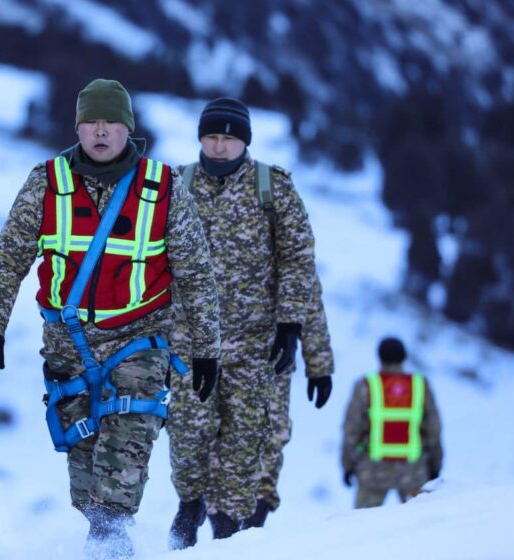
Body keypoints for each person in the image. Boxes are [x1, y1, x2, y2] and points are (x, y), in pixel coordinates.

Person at [0, 79, 221, 559]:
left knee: (124, 451)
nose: (101, 132)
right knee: (85, 474)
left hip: (140, 341)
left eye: (111, 122)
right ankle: (105, 537)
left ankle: (109, 544)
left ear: (128, 128)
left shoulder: (163, 186)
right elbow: (7, 260)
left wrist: (207, 348)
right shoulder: (46, 183)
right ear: (78, 128)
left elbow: (195, 272)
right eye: (91, 122)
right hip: (67, 346)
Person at [166, 97, 318, 548]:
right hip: (191, 344)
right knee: (188, 438)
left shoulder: (273, 187)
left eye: (228, 139)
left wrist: (291, 324)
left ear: (244, 143)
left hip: (256, 348)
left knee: (242, 446)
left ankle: (229, 534)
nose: (218, 147)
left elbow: (298, 257)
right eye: (211, 137)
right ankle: (189, 502)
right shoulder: (176, 185)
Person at [242, 275, 334, 529]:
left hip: (273, 357)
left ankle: (250, 528)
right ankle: (219, 527)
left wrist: (320, 366)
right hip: (218, 357)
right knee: (217, 441)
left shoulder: (285, 241)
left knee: (271, 435)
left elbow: (308, 297)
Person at [341, 336, 443, 508]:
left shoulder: (366, 385)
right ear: (404, 357)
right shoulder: (420, 385)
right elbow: (433, 428)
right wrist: (435, 464)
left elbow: (351, 428)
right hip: (414, 470)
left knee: (361, 528)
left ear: (379, 357)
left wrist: (347, 465)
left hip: (372, 471)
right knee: (421, 525)